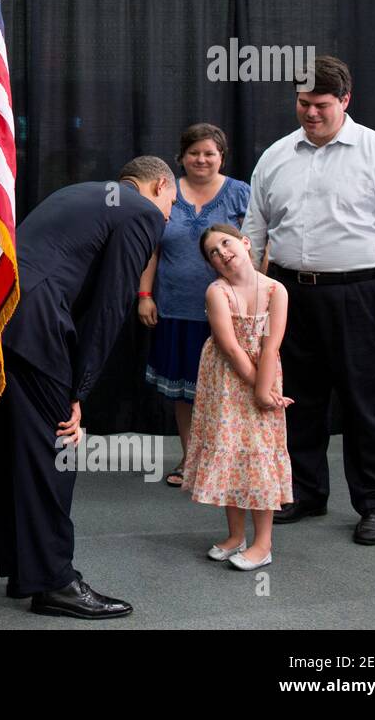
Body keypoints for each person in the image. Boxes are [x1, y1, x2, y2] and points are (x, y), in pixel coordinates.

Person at [243, 55, 375, 546]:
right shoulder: (276, 156)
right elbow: (254, 229)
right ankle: (304, 491)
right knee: (296, 401)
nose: (311, 113)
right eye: (303, 103)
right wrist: (250, 292)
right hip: (288, 295)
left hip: (361, 295)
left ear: (345, 100)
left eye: (322, 104)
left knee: (367, 406)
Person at [0, 156, 175, 619]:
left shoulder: (77, 193)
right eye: (172, 204)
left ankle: (24, 569)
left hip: (0, 315)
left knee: (18, 448)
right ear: (157, 186)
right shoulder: (142, 212)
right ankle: (54, 582)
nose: (168, 217)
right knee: (57, 448)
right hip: (37, 327)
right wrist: (79, 390)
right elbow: (114, 304)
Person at [137, 124, 250, 487]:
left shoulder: (239, 194)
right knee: (184, 394)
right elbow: (151, 249)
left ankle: (224, 464)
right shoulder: (166, 192)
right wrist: (145, 294)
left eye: (209, 153)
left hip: (229, 313)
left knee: (226, 391)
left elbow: (255, 249)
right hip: (175, 309)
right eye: (194, 153)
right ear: (181, 157)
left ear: (221, 156)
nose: (201, 159)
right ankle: (191, 460)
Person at [182, 224, 292, 571]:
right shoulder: (217, 291)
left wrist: (265, 388)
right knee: (232, 453)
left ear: (245, 243)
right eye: (213, 253)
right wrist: (255, 387)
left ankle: (263, 543)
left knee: (258, 457)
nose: (221, 253)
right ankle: (235, 535)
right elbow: (229, 347)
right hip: (227, 379)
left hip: (264, 370)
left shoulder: (276, 290)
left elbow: (271, 343)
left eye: (225, 243)